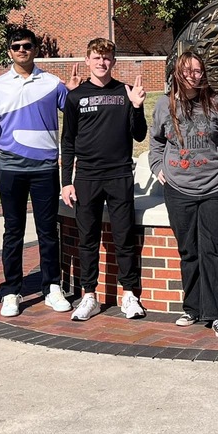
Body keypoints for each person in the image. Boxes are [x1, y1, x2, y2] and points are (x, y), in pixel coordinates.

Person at [0, 28, 80, 317]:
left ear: (36, 49)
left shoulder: (52, 84)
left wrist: (72, 94)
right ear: (9, 51)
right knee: (13, 232)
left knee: (48, 232)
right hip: (10, 168)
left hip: (46, 168)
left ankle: (52, 286)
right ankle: (11, 290)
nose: (22, 50)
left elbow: (73, 115)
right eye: (16, 46)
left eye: (27, 45)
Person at [148, 50, 218, 339]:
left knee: (215, 251)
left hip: (217, 186)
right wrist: (156, 167)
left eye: (198, 71)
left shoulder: (216, 103)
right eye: (188, 70)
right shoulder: (165, 105)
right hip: (179, 189)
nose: (193, 75)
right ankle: (192, 307)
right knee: (189, 250)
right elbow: (155, 140)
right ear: (178, 72)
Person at [60, 38, 148, 321]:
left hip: (119, 174)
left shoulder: (126, 92)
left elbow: (139, 135)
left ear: (114, 61)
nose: (102, 62)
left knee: (123, 238)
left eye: (107, 58)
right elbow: (68, 141)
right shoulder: (75, 96)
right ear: (87, 60)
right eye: (97, 58)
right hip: (86, 176)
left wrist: (136, 107)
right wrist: (66, 180)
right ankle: (89, 296)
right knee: (88, 238)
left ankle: (130, 295)